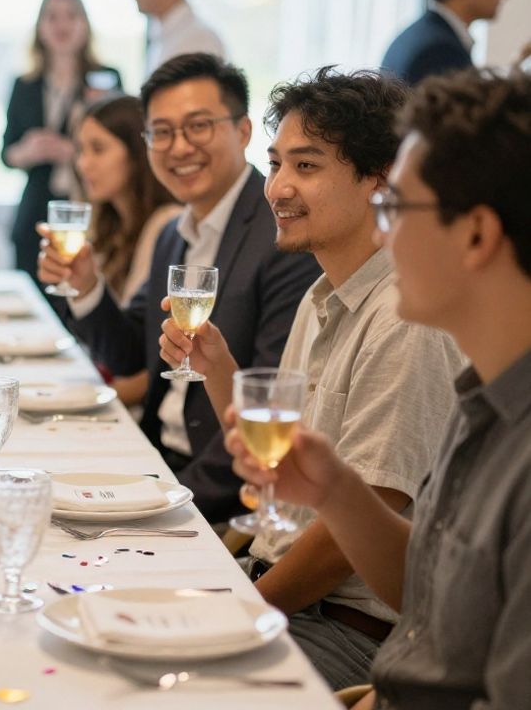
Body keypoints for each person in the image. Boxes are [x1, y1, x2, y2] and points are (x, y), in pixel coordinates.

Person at [228, 69, 531, 710]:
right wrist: (335, 490)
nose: (384, 234)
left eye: (398, 208)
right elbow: (430, 603)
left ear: (476, 234)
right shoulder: (487, 400)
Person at [157, 68, 463, 689]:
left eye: (307, 166)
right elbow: (286, 471)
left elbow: (350, 532)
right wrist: (217, 368)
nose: (276, 188)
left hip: (344, 628)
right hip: (281, 586)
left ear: (382, 183)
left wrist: (247, 611)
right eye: (274, 165)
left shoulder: (406, 316)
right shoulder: (323, 295)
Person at [38, 53, 320, 522]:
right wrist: (87, 285)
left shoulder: (281, 236)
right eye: (162, 133)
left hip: (216, 490)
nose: (179, 147)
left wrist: (167, 499)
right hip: (154, 460)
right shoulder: (175, 232)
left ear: (244, 131)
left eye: (199, 126)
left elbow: (267, 403)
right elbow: (131, 352)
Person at [62, 93, 181, 407]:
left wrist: (82, 399)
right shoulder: (109, 222)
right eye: (80, 150)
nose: (82, 163)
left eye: (98, 149)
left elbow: (145, 362)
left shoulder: (165, 225)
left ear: (137, 153)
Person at [3, 0, 123, 283]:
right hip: (36, 209)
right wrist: (30, 151)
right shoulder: (25, 85)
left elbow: (122, 145)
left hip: (90, 207)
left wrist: (74, 150)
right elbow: (6, 153)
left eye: (71, 16)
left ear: (85, 25)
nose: (62, 25)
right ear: (40, 28)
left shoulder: (106, 79)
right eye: (52, 17)